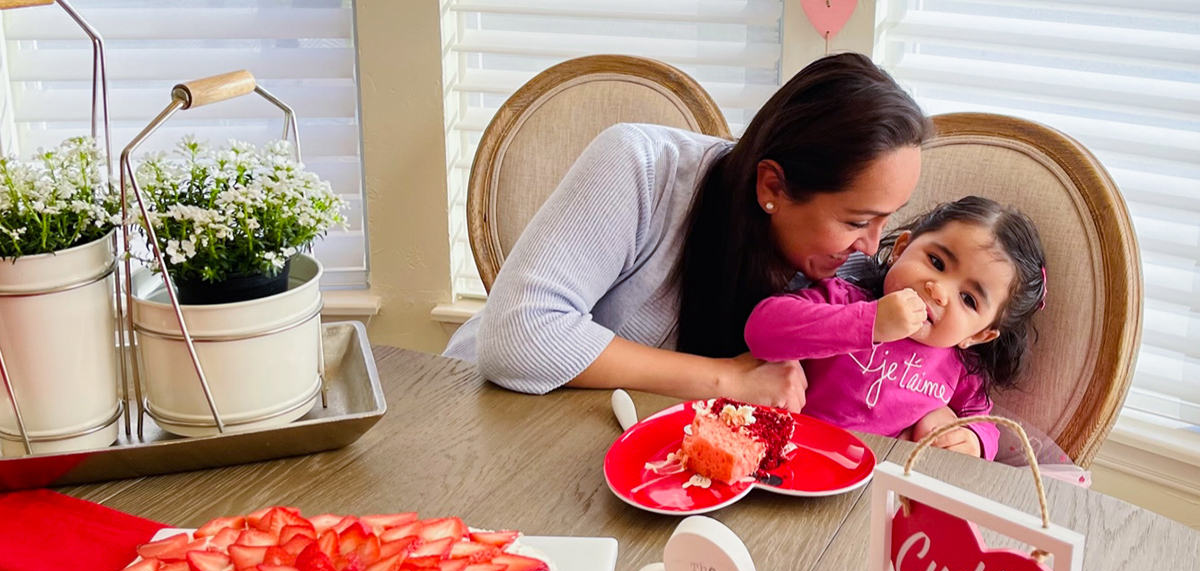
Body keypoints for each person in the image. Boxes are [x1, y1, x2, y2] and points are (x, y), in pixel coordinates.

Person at [443, 52, 931, 411]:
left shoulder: (854, 273)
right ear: (773, 186)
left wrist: (946, 413)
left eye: (887, 219)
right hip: (491, 411)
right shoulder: (641, 167)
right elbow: (517, 337)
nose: (870, 246)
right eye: (856, 221)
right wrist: (727, 379)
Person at [744, 196, 1049, 459]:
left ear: (979, 335)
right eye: (937, 262)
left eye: (968, 299)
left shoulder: (960, 367)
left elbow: (984, 421)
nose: (939, 291)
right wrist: (870, 323)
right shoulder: (842, 300)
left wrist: (973, 439)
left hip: (881, 489)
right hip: (793, 456)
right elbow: (761, 328)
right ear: (900, 249)